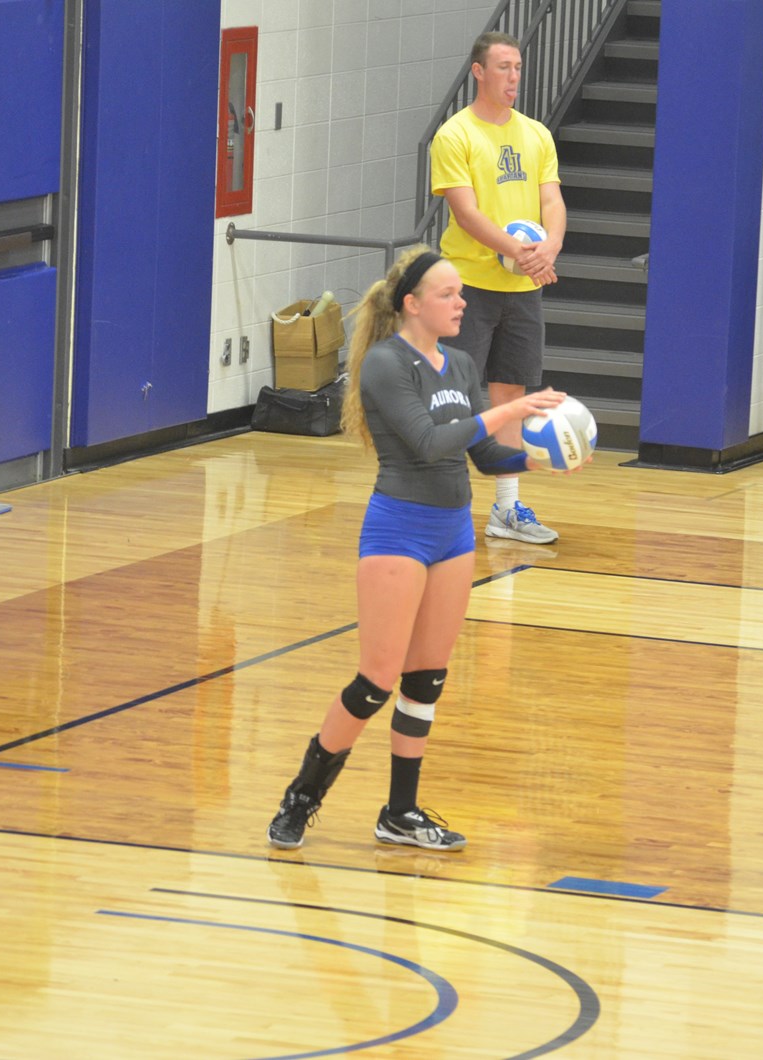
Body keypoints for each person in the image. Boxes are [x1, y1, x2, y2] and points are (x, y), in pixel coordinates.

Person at [266, 245, 576, 851]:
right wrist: (511, 408)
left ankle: (399, 813)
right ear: (412, 305)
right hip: (398, 531)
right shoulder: (384, 364)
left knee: (426, 679)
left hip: (452, 533)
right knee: (376, 681)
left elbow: (484, 458)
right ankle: (300, 799)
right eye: (448, 294)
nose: (461, 303)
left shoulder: (459, 365)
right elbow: (430, 443)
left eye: (460, 293)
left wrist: (542, 458)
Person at [429, 30, 568, 546]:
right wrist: (517, 251)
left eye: (518, 67)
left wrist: (548, 247)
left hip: (522, 285)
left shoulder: (536, 134)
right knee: (453, 398)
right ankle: (441, 506)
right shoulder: (455, 135)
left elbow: (551, 201)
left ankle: (506, 510)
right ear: (479, 72)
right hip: (465, 285)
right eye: (503, 67)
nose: (513, 77)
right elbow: (465, 213)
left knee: (512, 393)